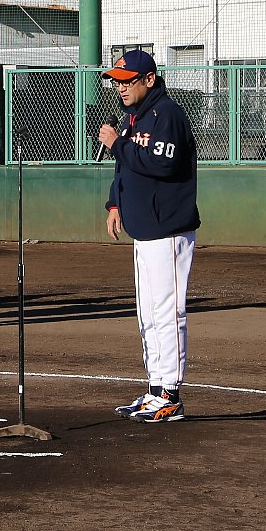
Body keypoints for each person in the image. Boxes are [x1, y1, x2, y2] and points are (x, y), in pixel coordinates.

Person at [99, 49, 200, 424]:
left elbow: (164, 163)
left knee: (167, 312)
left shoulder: (167, 115)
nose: (120, 87)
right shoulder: (134, 117)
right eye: (117, 81)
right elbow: (125, 169)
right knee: (148, 312)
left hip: (169, 228)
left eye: (127, 80)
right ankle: (155, 389)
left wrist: (118, 144)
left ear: (149, 80)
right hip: (145, 227)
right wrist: (115, 204)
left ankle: (170, 393)